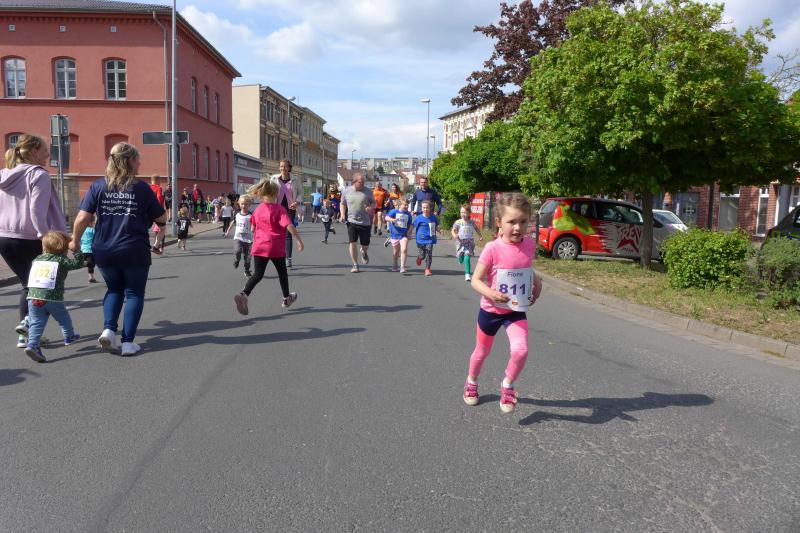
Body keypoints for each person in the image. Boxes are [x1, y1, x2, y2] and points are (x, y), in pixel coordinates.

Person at [69, 142, 167, 356]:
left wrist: (75, 241)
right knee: (134, 293)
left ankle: (109, 330)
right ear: (130, 161)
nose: (140, 163)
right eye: (138, 160)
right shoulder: (141, 188)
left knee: (114, 289)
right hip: (134, 248)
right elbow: (161, 217)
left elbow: (83, 217)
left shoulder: (98, 186)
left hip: (104, 249)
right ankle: (128, 343)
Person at [462, 192, 543, 413]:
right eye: (511, 222)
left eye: (523, 222)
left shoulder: (529, 244)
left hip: (516, 310)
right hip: (491, 311)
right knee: (482, 351)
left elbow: (527, 268)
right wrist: (491, 293)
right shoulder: (492, 249)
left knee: (521, 350)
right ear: (499, 222)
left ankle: (508, 385)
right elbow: (476, 280)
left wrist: (537, 284)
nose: (518, 227)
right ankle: (471, 381)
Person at [0, 134, 67, 349]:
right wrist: (46, 237)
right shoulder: (38, 175)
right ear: (34, 151)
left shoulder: (3, 174)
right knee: (44, 287)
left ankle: (24, 335)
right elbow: (36, 212)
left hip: (4, 237)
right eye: (45, 150)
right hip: (31, 238)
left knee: (27, 286)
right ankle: (29, 328)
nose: (48, 155)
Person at [233, 179, 303, 315]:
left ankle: (244, 294)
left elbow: (253, 228)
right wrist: (299, 240)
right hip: (275, 247)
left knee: (258, 274)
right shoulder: (280, 209)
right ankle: (286, 298)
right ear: (276, 194)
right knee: (282, 274)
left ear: (261, 194)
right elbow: (289, 225)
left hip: (260, 246)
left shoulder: (258, 210)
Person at [23, 231, 85, 363]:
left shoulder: (37, 259)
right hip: (53, 297)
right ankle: (69, 336)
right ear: (63, 247)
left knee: (36, 322)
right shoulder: (61, 260)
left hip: (33, 297)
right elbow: (78, 264)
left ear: (44, 246)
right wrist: (77, 251)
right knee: (63, 317)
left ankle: (33, 345)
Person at [340, 172, 376, 273]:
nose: (363, 184)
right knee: (352, 242)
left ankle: (363, 251)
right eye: (361, 182)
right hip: (351, 221)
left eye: (364, 182)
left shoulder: (368, 191)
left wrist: (370, 207)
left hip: (365, 222)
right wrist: (342, 215)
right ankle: (355, 265)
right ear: (354, 182)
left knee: (365, 244)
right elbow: (342, 204)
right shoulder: (347, 191)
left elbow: (374, 203)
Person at [270, 159, 303, 269]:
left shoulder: (295, 179)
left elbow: (300, 193)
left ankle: (288, 258)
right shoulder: (274, 179)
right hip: (276, 209)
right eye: (281, 166)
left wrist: (297, 201)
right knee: (277, 232)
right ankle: (279, 255)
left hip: (290, 209)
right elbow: (269, 192)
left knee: (288, 234)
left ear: (289, 168)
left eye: (285, 166)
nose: (283, 168)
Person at [451, 204, 483, 281]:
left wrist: (480, 235)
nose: (463, 214)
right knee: (461, 258)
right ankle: (460, 258)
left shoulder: (471, 222)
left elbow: (476, 228)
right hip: (460, 242)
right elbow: (453, 230)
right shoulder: (458, 222)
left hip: (469, 243)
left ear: (469, 213)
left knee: (467, 258)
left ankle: (467, 274)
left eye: (465, 212)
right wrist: (454, 235)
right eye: (462, 212)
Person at [225, 194, 253, 278]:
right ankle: (237, 260)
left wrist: (255, 233)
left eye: (246, 204)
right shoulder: (237, 214)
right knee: (237, 251)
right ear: (239, 204)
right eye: (242, 204)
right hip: (238, 238)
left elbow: (254, 226)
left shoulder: (251, 215)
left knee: (248, 257)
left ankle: (247, 270)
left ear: (249, 205)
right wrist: (227, 231)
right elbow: (232, 223)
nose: (244, 206)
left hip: (248, 240)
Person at [412, 200, 439, 276]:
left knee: (429, 254)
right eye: (424, 207)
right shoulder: (418, 218)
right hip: (420, 240)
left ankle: (427, 269)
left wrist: (439, 230)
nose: (425, 209)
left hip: (430, 239)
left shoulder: (433, 217)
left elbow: (436, 226)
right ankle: (419, 258)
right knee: (422, 255)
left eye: (427, 207)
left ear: (430, 208)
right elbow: (412, 226)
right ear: (421, 208)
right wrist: (409, 233)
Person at [385, 198, 412, 272]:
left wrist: (409, 233)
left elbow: (410, 225)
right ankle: (395, 264)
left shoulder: (408, 214)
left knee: (404, 249)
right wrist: (392, 220)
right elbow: (386, 217)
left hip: (404, 235)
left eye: (407, 205)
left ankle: (402, 267)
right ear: (400, 205)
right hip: (395, 235)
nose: (406, 206)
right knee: (396, 252)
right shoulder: (394, 211)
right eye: (405, 205)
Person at [80, 216, 98, 283]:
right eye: (93, 222)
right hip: (90, 250)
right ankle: (91, 277)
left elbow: (79, 240)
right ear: (90, 223)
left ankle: (91, 277)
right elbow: (97, 238)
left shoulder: (81, 230)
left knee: (90, 264)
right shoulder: (92, 230)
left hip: (82, 250)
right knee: (91, 264)